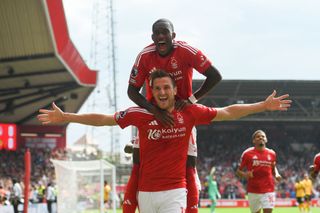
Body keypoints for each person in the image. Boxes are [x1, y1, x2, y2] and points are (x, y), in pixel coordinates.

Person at [38, 70, 291, 213]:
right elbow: (104, 119)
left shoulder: (189, 113)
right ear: (151, 91)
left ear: (174, 89)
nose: (161, 92)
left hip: (174, 192)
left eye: (166, 88)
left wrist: (263, 106)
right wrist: (66, 116)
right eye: (157, 88)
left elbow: (228, 112)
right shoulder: (139, 115)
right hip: (145, 194)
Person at [126, 18, 222, 213]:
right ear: (152, 37)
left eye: (165, 32)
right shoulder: (145, 56)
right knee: (138, 163)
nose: (161, 36)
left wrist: (192, 100)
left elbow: (215, 75)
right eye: (157, 33)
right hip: (153, 118)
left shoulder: (186, 51)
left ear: (173, 36)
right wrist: (153, 111)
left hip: (182, 117)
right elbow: (132, 91)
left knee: (189, 166)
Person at [236, 130, 282, 213]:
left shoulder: (272, 153)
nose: (261, 137)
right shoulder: (247, 154)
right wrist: (246, 174)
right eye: (258, 136)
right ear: (253, 141)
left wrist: (277, 174)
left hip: (268, 189)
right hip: (253, 190)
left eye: (263, 136)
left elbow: (273, 167)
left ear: (266, 139)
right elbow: (238, 172)